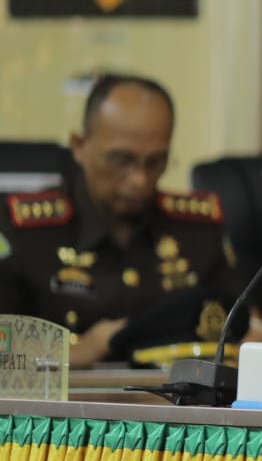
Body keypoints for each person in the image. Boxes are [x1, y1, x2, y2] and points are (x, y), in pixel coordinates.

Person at [0, 73, 245, 367]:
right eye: (120, 159)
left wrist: (252, 343)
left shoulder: (196, 229)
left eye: (156, 161)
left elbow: (245, 321)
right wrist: (69, 353)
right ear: (79, 146)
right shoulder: (23, 230)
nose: (140, 179)